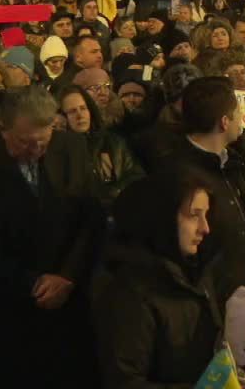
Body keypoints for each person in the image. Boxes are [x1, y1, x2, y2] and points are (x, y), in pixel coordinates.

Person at [0, 86, 104, 387]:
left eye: (43, 141)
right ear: (3, 128)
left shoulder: (71, 147)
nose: (35, 151)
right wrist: (33, 282)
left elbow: (90, 218)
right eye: (25, 142)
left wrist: (68, 276)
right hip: (13, 301)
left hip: (71, 292)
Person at [96, 165, 224, 386]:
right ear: (162, 217)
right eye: (194, 216)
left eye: (206, 215)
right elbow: (125, 381)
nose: (205, 228)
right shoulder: (131, 292)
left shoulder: (196, 273)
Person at [172, 76, 245, 302]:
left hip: (244, 294)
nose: (242, 121)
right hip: (211, 301)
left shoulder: (233, 163)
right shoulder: (182, 174)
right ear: (225, 122)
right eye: (238, 114)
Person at [57, 85, 145, 207]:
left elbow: (136, 176)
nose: (80, 115)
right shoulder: (58, 151)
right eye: (72, 111)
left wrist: (115, 192)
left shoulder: (113, 142)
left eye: (83, 108)